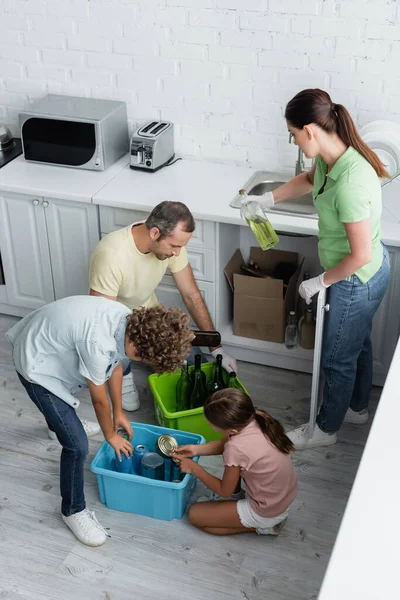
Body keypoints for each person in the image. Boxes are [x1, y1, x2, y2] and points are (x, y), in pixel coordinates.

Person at [252, 89, 391, 450]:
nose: (295, 142)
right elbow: (308, 179)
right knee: (357, 345)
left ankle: (324, 430)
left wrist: (319, 281)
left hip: (356, 279)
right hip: (366, 271)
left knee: (335, 358)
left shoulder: (350, 182)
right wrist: (268, 198)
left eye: (294, 135)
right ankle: (357, 408)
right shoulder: (335, 158)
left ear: (310, 130)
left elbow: (358, 255)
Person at [6, 296, 193, 546]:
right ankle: (73, 510)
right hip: (36, 366)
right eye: (144, 359)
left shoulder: (129, 322)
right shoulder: (98, 342)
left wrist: (120, 413)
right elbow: (98, 400)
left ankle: (58, 427)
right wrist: (110, 435)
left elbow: (115, 366)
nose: (140, 362)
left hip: (51, 347)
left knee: (67, 420)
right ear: (138, 346)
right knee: (77, 446)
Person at [89, 200, 236, 413]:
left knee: (195, 363)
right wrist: (119, 365)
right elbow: (101, 322)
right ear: (155, 233)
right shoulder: (112, 255)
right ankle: (125, 370)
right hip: (118, 326)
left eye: (181, 247)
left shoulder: (172, 243)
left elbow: (191, 295)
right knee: (122, 368)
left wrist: (216, 347)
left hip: (150, 319)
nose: (177, 253)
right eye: (174, 247)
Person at [172, 389, 298, 536]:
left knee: (194, 515)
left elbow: (225, 491)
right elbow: (225, 446)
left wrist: (195, 469)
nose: (208, 424)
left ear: (231, 430)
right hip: (282, 498)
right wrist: (195, 450)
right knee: (232, 461)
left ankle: (263, 527)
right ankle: (239, 501)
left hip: (266, 510)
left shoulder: (236, 448)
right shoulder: (254, 417)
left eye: (210, 423)